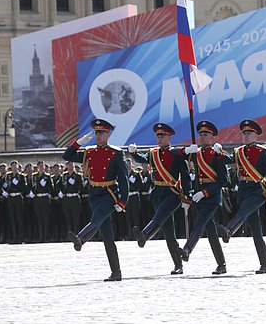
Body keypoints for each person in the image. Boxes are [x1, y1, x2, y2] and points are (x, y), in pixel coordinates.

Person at [63, 119, 129, 282]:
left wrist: (122, 201)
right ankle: (116, 272)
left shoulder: (116, 153)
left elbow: (123, 179)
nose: (98, 136)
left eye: (102, 133)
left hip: (109, 194)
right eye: (97, 133)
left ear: (108, 134)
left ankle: (81, 238)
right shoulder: (89, 151)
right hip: (94, 193)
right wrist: (79, 142)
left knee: (97, 218)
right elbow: (67, 155)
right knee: (107, 236)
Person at [128, 123, 191, 275]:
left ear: (170, 137)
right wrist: (133, 152)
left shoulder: (176, 154)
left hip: (172, 193)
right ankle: (178, 265)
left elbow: (186, 177)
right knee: (169, 232)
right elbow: (142, 159)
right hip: (158, 193)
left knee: (159, 216)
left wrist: (187, 196)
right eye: (158, 136)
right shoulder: (153, 153)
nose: (160, 138)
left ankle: (145, 235)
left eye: (163, 136)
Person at [217, 120, 266, 274]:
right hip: (244, 190)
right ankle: (265, 264)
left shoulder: (263, 151)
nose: (246, 136)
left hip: (258, 191)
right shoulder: (239, 152)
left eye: (249, 133)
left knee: (243, 210)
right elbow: (228, 161)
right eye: (244, 133)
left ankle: (229, 230)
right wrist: (219, 153)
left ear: (256, 136)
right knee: (256, 230)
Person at [177, 120, 229, 275]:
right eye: (200, 134)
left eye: (205, 134)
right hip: (199, 197)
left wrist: (205, 192)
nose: (202, 137)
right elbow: (177, 158)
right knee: (211, 232)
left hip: (212, 197)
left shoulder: (217, 154)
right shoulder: (196, 153)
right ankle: (222, 264)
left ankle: (187, 249)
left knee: (199, 223)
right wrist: (186, 150)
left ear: (212, 136)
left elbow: (223, 179)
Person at [3, 160, 27, 244]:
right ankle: (14, 237)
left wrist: (17, 184)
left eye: (15, 165)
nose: (14, 167)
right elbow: (3, 185)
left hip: (18, 196)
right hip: (10, 197)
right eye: (12, 165)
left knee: (19, 218)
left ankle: (20, 238)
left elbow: (24, 188)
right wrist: (4, 191)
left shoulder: (21, 176)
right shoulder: (8, 176)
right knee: (12, 218)